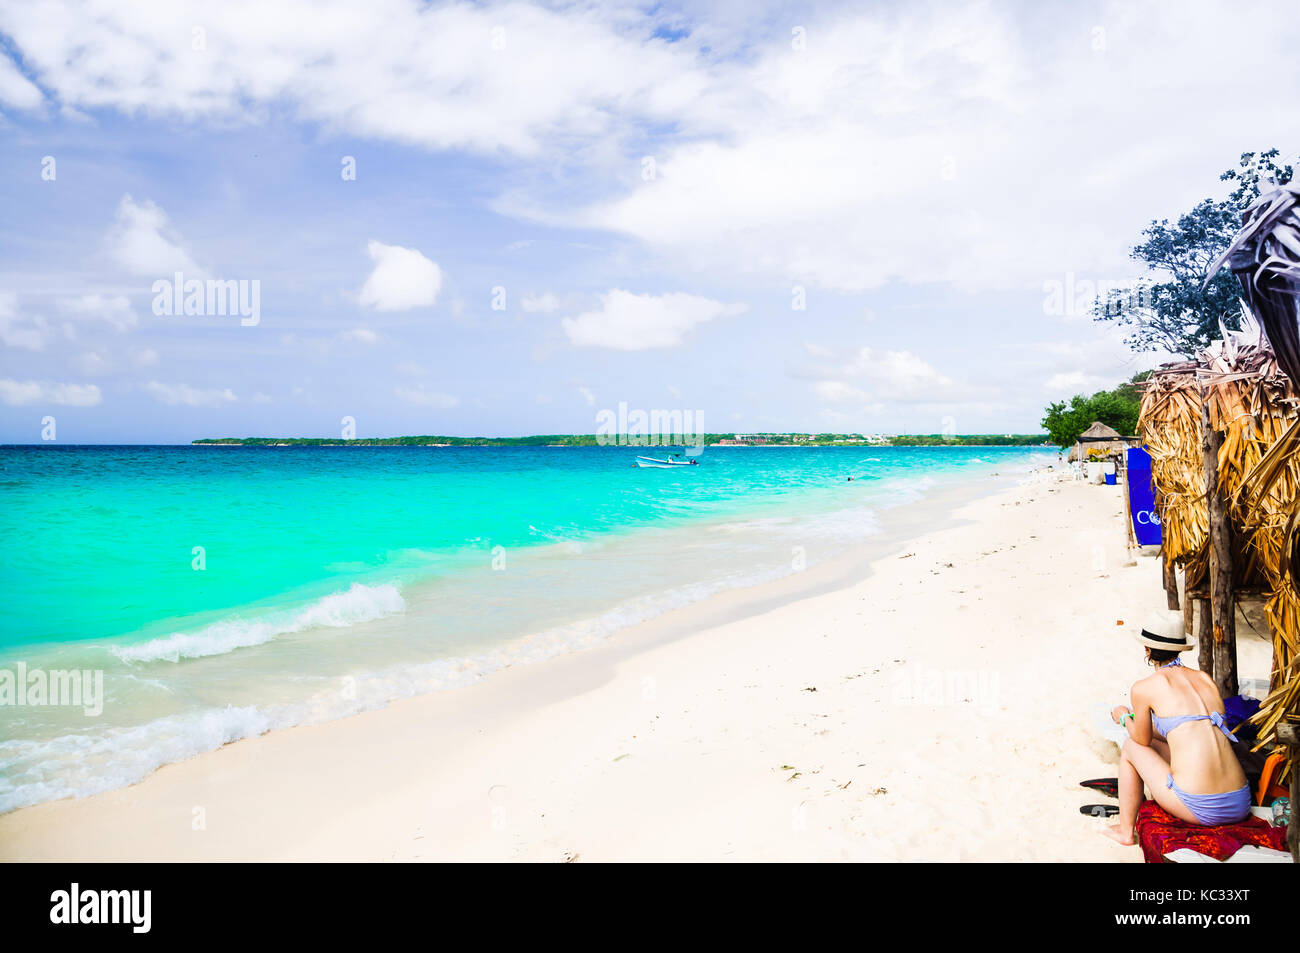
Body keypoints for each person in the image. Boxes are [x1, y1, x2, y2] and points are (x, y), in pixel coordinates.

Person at [1103, 611, 1250, 844]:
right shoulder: (1205, 679)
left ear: (1147, 650)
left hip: (1201, 808)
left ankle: (1125, 831)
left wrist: (1122, 716)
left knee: (1131, 746)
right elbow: (1190, 730)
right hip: (1240, 801)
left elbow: (1139, 740)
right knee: (1156, 742)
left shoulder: (1145, 687)